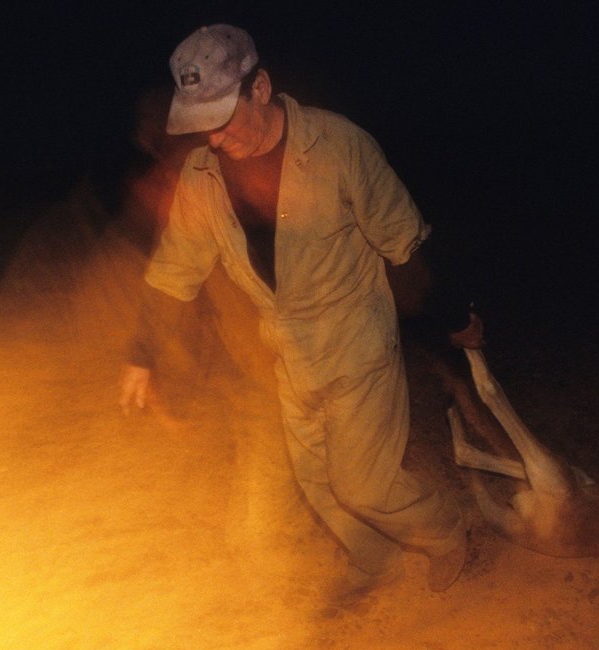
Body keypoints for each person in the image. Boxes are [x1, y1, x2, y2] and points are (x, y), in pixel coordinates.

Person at [119, 24, 483, 607]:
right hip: (289, 351)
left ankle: (446, 530)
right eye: (199, 124)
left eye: (220, 117)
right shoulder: (202, 177)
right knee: (318, 482)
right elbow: (174, 271)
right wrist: (142, 354)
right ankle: (377, 559)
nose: (211, 138)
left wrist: (452, 315)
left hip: (356, 342)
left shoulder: (340, 148)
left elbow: (403, 244)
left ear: (259, 87)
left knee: (362, 483)